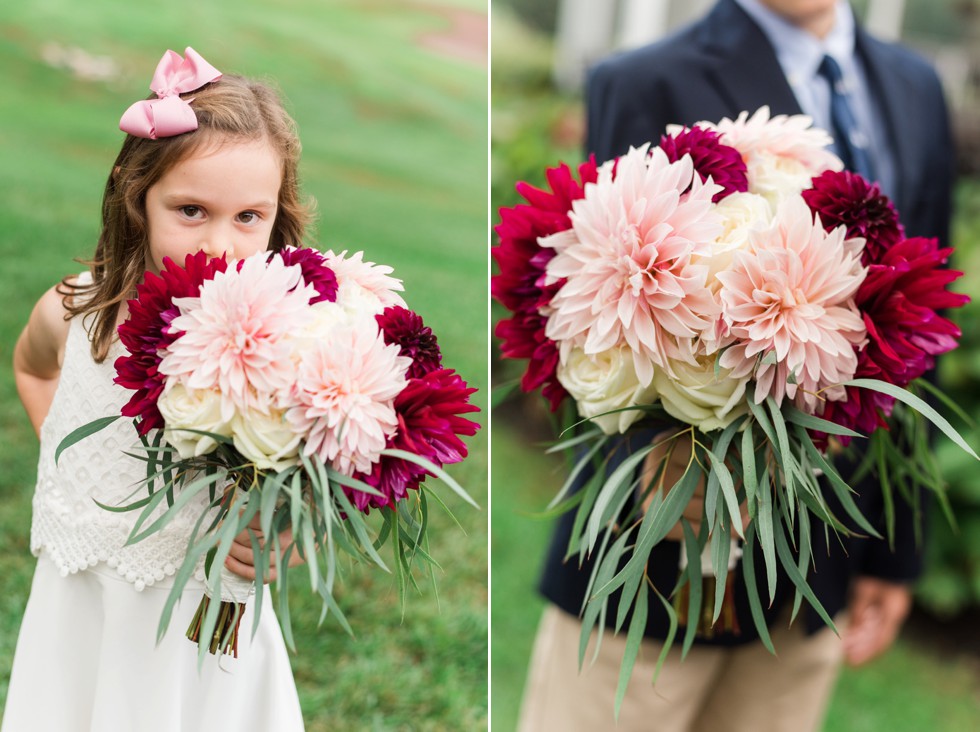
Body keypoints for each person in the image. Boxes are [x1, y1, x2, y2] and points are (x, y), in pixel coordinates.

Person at [519, 1, 955, 730]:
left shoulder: (915, 85)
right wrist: (662, 472)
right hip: (653, 562)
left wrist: (895, 549)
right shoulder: (645, 80)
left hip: (820, 564)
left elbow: (922, 324)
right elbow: (596, 309)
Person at [4, 48, 310, 731]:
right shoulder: (77, 314)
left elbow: (313, 474)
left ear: (276, 216)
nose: (223, 246)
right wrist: (65, 452)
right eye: (193, 210)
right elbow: (32, 367)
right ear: (134, 195)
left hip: (203, 631)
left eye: (249, 217)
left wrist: (280, 532)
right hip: (83, 615)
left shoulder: (286, 342)